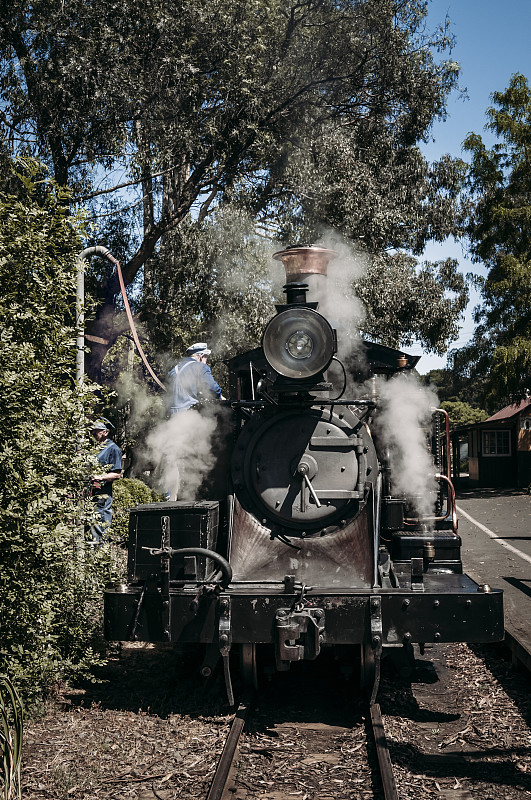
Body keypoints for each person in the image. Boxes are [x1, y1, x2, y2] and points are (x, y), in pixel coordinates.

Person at [167, 342, 225, 414]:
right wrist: (220, 396)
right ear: (201, 356)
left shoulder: (174, 370)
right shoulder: (201, 367)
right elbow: (212, 388)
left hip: (172, 417)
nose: (206, 361)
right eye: (206, 357)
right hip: (190, 415)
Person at [89, 419, 123, 544]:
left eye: (96, 432)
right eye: (92, 431)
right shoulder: (95, 449)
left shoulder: (113, 449)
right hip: (91, 493)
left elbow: (117, 474)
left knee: (100, 524)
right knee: (91, 524)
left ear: (106, 432)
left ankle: (101, 553)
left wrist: (100, 477)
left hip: (103, 493)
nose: (93, 434)